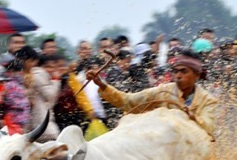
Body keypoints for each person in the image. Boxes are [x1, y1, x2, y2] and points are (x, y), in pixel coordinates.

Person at [87, 49, 217, 136]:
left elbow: (210, 128)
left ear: (196, 75)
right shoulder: (163, 91)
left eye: (183, 71)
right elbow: (129, 102)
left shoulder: (207, 100)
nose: (178, 75)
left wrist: (193, 118)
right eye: (175, 71)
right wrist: (102, 85)